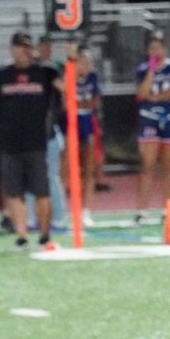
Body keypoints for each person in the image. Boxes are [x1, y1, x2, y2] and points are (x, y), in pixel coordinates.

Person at [0, 31, 62, 249]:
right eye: (19, 46)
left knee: (42, 192)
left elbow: (66, 87)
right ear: (12, 48)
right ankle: (22, 235)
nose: (23, 50)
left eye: (26, 46)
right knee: (14, 192)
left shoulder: (44, 72)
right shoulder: (3, 75)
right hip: (9, 144)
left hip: (36, 143)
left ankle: (45, 233)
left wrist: (70, 59)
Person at [135, 29, 170, 223]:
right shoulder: (142, 69)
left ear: (165, 48)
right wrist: (151, 70)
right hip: (149, 117)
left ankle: (169, 209)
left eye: (159, 47)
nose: (156, 50)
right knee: (147, 165)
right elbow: (141, 94)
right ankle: (142, 210)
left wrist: (155, 97)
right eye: (152, 47)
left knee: (168, 166)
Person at [33, 35, 68, 232]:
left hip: (50, 131)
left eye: (48, 46)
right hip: (31, 132)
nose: (45, 49)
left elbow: (64, 92)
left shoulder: (52, 69)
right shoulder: (32, 70)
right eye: (42, 46)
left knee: (52, 176)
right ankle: (33, 218)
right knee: (31, 177)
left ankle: (58, 218)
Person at [74, 47, 102, 226]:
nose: (87, 65)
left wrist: (80, 102)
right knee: (67, 167)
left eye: (88, 61)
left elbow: (95, 102)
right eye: (83, 61)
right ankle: (66, 210)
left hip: (87, 120)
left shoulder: (93, 77)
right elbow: (67, 101)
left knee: (89, 167)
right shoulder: (68, 74)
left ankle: (85, 210)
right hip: (70, 121)